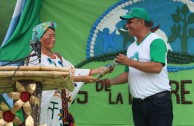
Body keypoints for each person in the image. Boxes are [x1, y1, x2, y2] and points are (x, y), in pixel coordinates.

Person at [26, 21, 111, 126]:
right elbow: (53, 76)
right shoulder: (35, 57)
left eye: (54, 36)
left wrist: (97, 70)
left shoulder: (58, 57)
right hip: (44, 104)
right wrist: (83, 79)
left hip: (58, 104)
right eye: (49, 36)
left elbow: (72, 71)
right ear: (39, 38)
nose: (53, 39)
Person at [98, 7, 173, 126]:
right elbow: (129, 74)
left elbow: (157, 67)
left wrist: (129, 62)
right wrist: (111, 81)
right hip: (137, 104)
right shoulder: (131, 47)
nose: (127, 26)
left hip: (158, 102)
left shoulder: (156, 41)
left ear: (141, 22)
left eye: (130, 22)